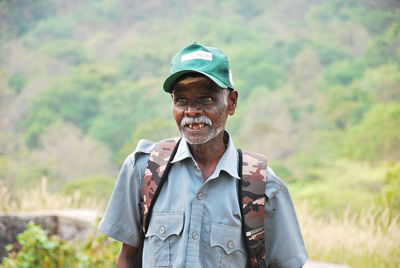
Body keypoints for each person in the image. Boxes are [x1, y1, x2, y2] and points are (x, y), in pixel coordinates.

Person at [99, 42, 307, 268]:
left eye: (206, 99)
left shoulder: (262, 186)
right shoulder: (144, 169)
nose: (192, 111)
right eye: (181, 100)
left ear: (231, 102)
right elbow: (128, 257)